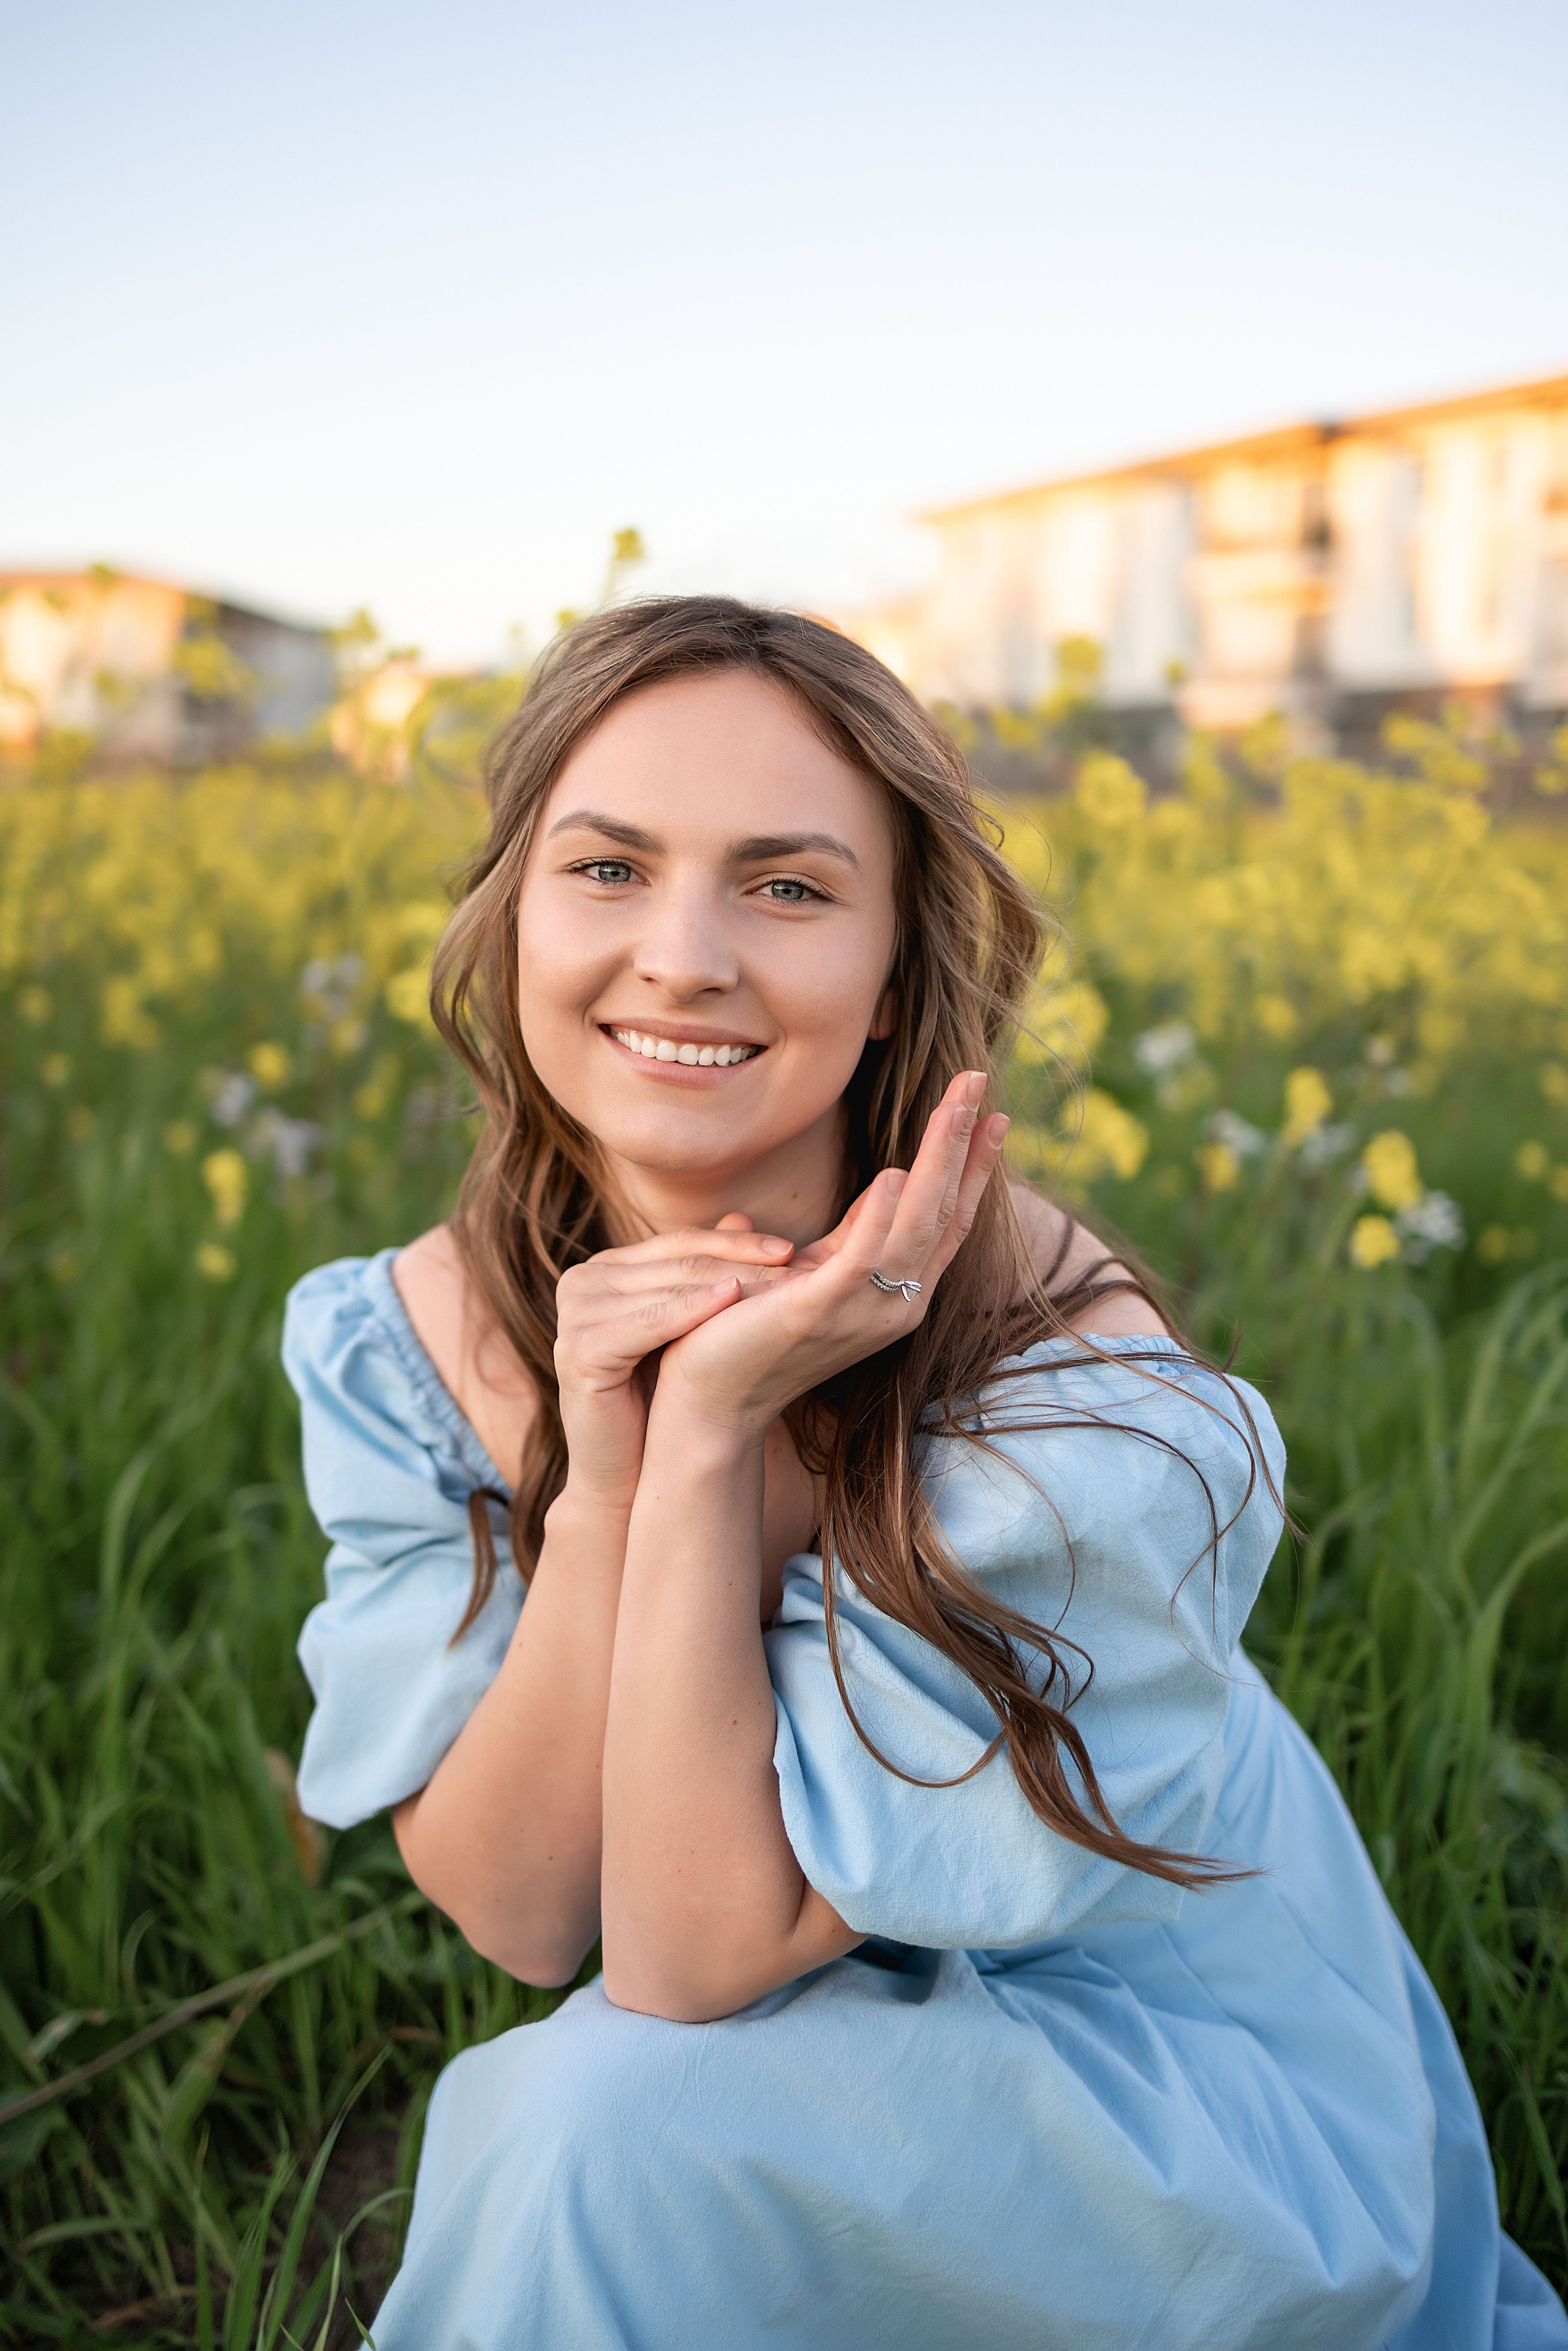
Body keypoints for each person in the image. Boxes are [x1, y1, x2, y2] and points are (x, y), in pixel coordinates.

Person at [282, 598, 1566, 2349]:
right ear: (514, 913)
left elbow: (681, 1966)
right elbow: (517, 1911)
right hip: (804, 2077)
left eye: (788, 887)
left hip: (1171, 2110)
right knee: (592, 2118)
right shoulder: (410, 1330)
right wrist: (604, 1479)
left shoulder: (1082, 1394)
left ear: (895, 979)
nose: (682, 955)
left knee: (595, 2126)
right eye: (606, 868)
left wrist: (713, 1435)